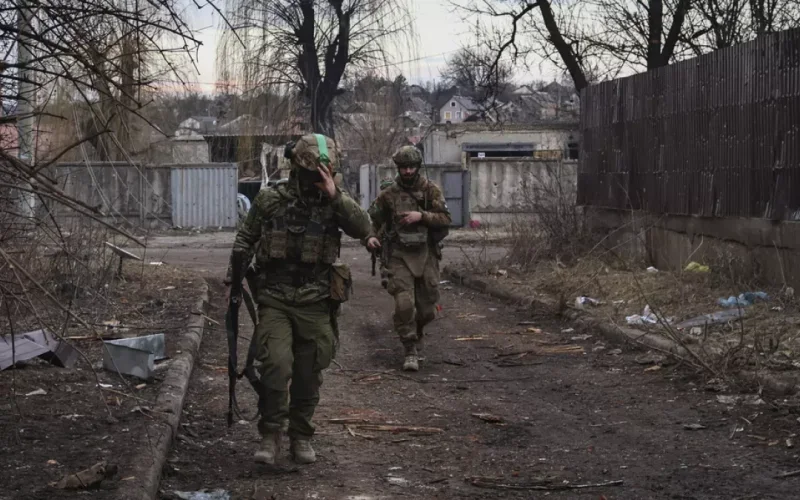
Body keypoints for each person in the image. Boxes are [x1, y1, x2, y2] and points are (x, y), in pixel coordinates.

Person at [225, 133, 371, 465]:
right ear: (297, 169)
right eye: (311, 173)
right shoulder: (271, 200)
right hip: (275, 297)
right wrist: (233, 273)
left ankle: (301, 437)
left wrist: (335, 197)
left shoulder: (335, 201)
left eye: (325, 173)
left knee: (309, 372)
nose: (316, 179)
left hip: (317, 300)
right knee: (275, 366)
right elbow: (246, 238)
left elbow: (364, 227)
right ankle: (271, 434)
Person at [365, 146, 451, 372]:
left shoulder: (431, 190)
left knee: (427, 309)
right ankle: (410, 348)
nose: (408, 171)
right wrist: (371, 237)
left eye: (411, 167)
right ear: (398, 168)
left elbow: (445, 218)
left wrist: (421, 216)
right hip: (398, 255)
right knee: (405, 305)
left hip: (426, 254)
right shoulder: (388, 195)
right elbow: (373, 220)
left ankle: (418, 330)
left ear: (418, 167)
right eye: (403, 168)